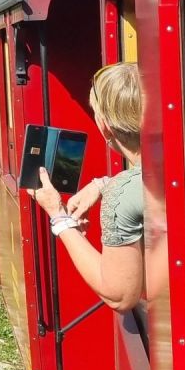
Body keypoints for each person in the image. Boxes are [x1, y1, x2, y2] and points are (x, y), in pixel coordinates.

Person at [28, 62, 145, 312]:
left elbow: (119, 297)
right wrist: (102, 184)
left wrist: (58, 216)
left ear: (104, 126)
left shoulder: (123, 195)